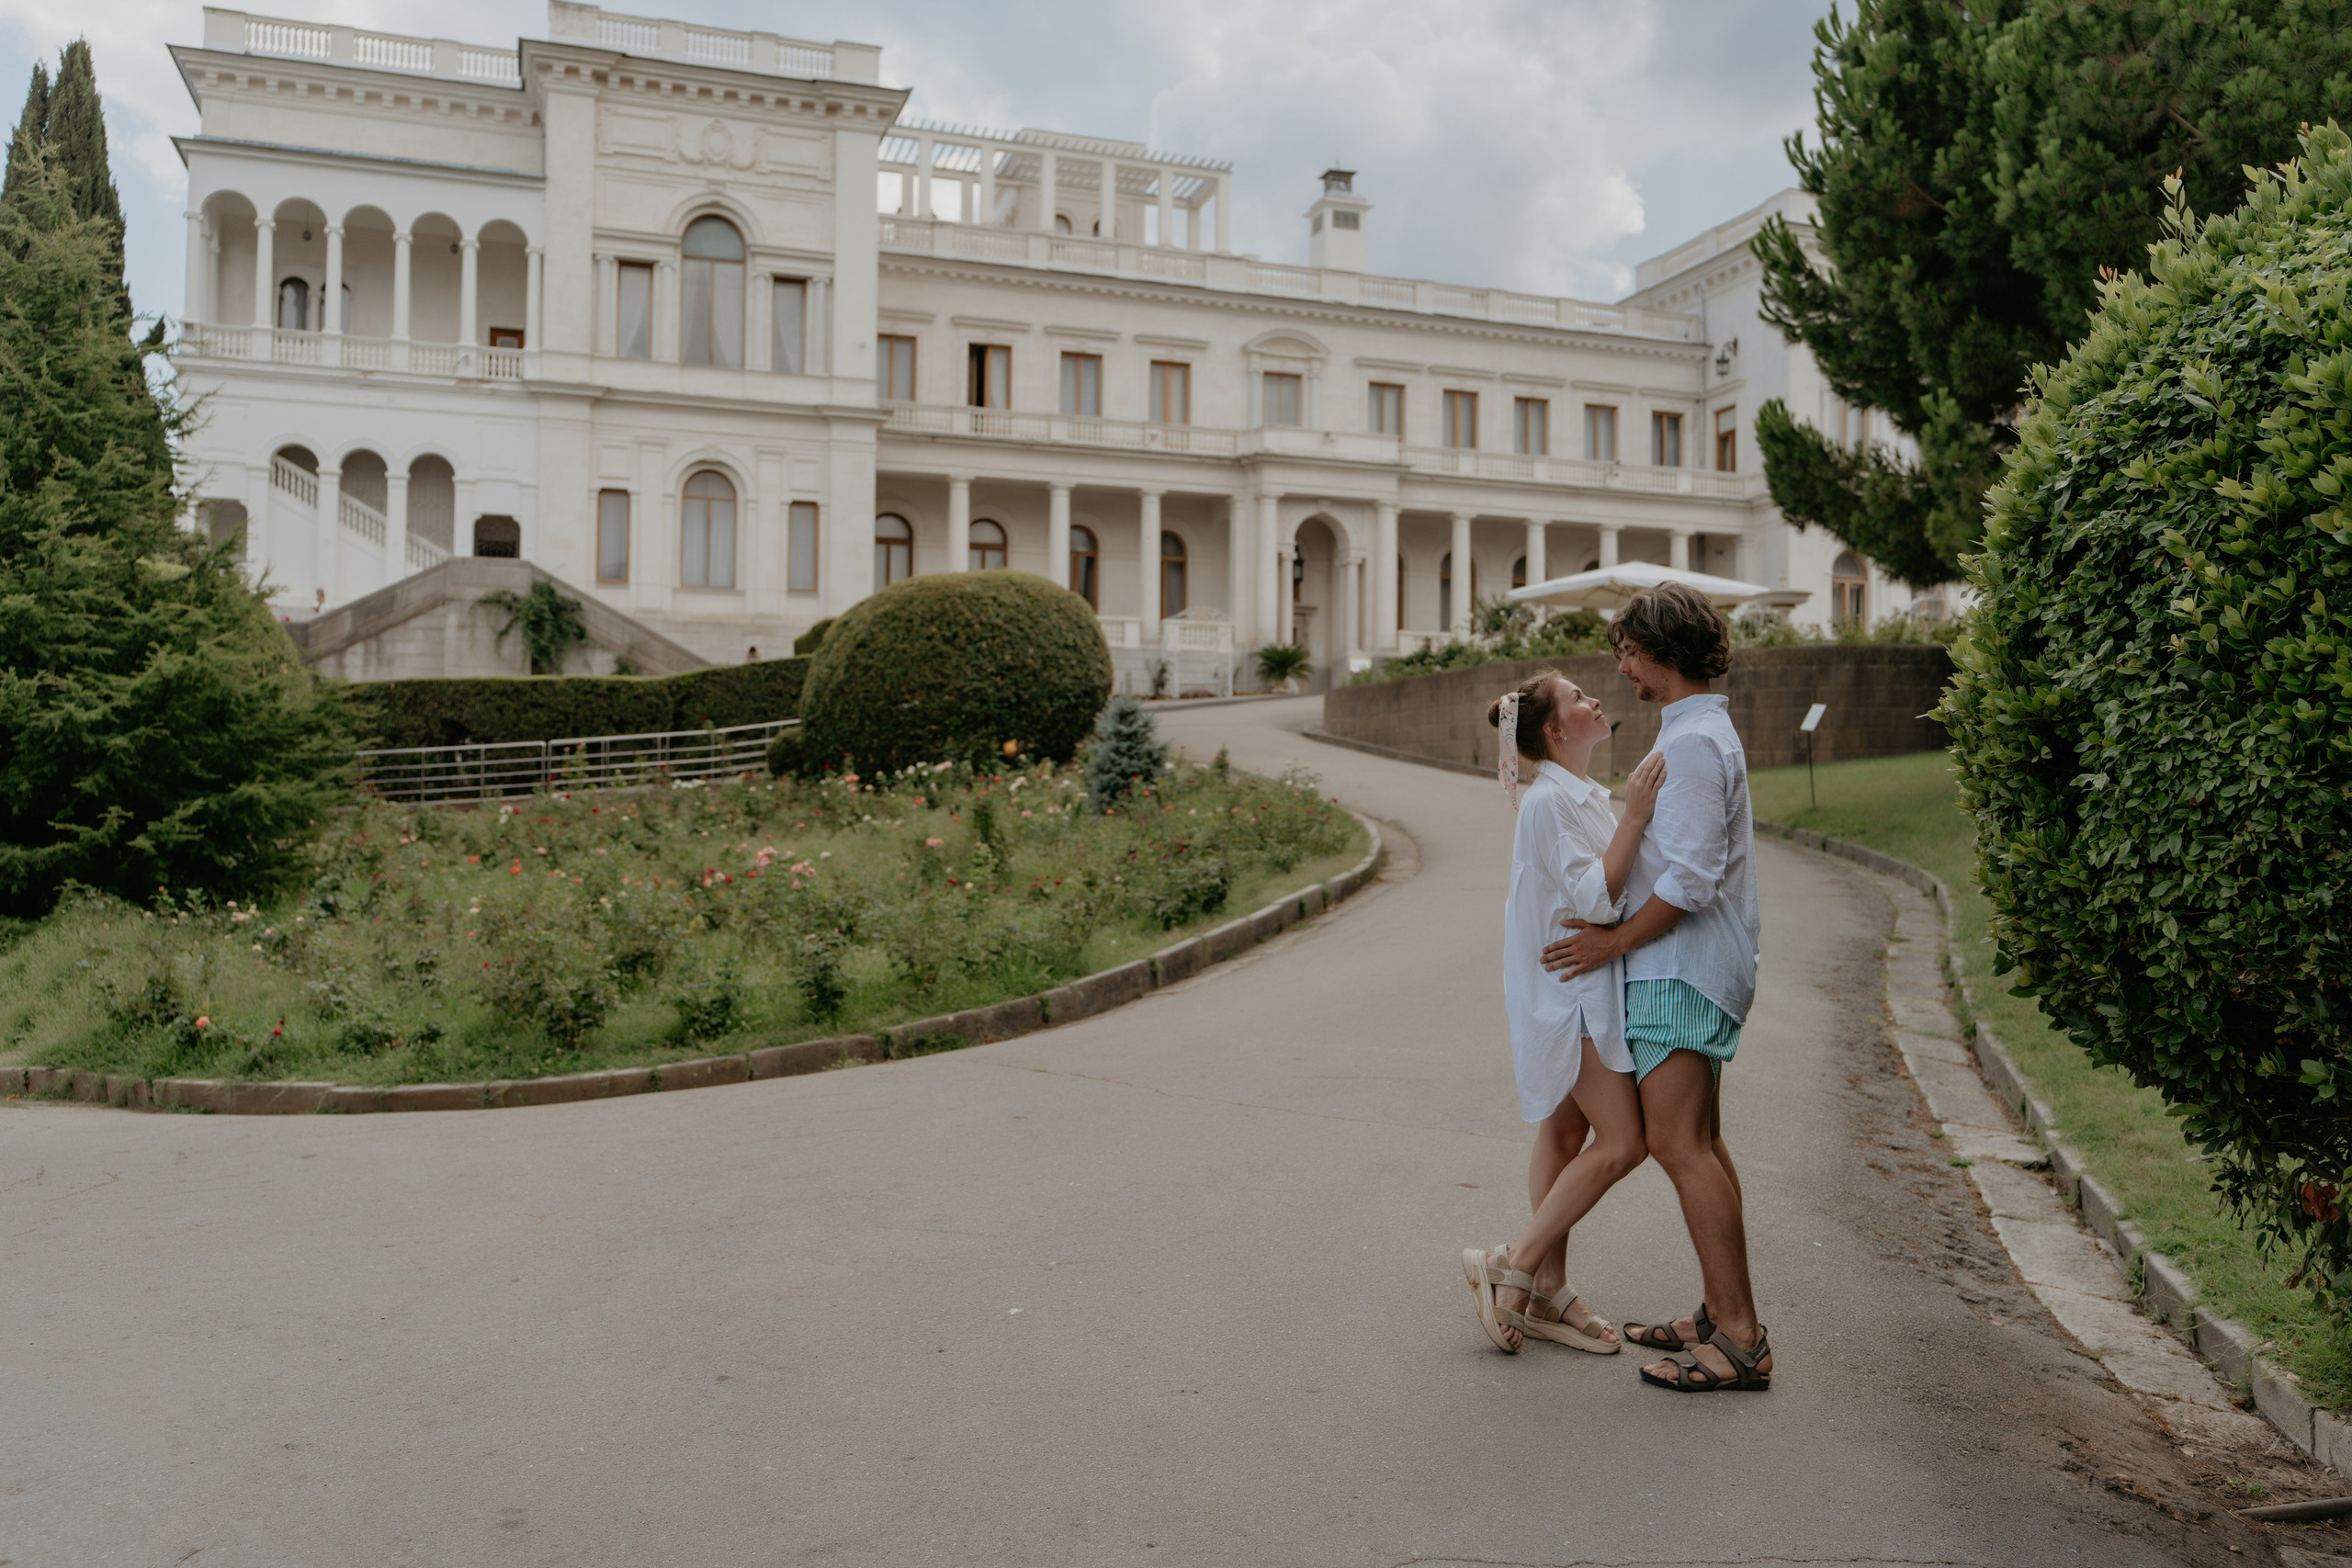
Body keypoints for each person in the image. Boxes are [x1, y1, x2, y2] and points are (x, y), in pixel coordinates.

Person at [1542, 582, 1769, 1392]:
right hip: (1685, 965)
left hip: (1680, 968)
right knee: (1701, 1141)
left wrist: (1614, 941)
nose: (1623, 670)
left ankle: (1738, 1337)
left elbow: (1694, 877)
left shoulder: (1696, 742)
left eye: (1630, 653)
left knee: (1678, 1145)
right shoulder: (1694, 729)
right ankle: (1720, 1314)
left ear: (1663, 652)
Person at [1460, 669, 1666, 1356]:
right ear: (1553, 730)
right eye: (1578, 697)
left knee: (1564, 1132)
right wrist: (1635, 817)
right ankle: (1516, 1267)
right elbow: (1596, 899)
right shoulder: (1551, 802)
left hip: (1582, 987)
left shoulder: (1577, 796)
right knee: (1623, 1142)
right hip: (1572, 995)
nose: (1595, 699)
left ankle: (1549, 1288)